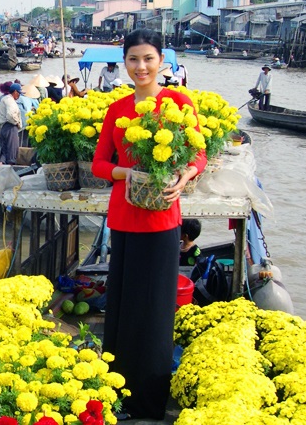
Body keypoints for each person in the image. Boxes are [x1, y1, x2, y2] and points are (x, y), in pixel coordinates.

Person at [92, 28, 206, 421]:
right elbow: (99, 164)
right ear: (124, 63)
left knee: (156, 312)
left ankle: (150, 403)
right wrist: (125, 172)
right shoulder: (117, 109)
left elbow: (200, 152)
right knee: (122, 308)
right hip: (124, 219)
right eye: (133, 59)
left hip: (162, 220)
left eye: (148, 59)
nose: (141, 67)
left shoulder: (178, 102)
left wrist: (186, 174)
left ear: (162, 62)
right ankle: (118, 395)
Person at [0, 83, 22, 165]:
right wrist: (17, 123)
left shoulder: (5, 99)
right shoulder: (10, 101)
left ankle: (0, 169)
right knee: (12, 151)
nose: (19, 95)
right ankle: (9, 173)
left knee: (4, 151)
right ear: (15, 92)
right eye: (19, 93)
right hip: (10, 127)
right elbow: (10, 115)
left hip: (3, 127)